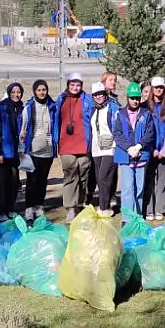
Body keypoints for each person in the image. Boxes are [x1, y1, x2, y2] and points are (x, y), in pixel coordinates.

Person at [113, 82, 155, 224]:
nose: (135, 101)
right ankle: (126, 218)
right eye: (132, 98)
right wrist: (129, 148)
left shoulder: (146, 114)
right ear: (127, 98)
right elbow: (117, 134)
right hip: (126, 156)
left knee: (139, 188)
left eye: (137, 98)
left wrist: (139, 146)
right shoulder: (120, 113)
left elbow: (150, 133)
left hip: (141, 155)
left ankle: (137, 216)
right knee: (127, 188)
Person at [55, 73, 94, 224]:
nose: (75, 88)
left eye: (78, 85)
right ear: (68, 85)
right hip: (66, 144)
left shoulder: (88, 100)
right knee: (70, 176)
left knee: (83, 175)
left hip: (84, 144)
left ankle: (79, 203)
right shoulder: (61, 99)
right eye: (72, 85)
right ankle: (70, 208)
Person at [18, 79, 57, 221]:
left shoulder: (52, 106)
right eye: (39, 90)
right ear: (34, 91)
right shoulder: (29, 108)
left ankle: (39, 206)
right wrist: (21, 149)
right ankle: (29, 208)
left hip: (48, 150)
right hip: (32, 150)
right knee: (32, 180)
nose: (42, 92)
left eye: (44, 89)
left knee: (42, 180)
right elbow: (23, 129)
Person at [146, 76, 165, 220]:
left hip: (164, 151)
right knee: (149, 180)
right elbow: (145, 130)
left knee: (163, 180)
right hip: (150, 150)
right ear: (152, 89)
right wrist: (152, 149)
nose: (158, 90)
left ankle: (160, 208)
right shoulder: (146, 106)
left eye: (161, 87)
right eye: (156, 87)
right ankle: (149, 209)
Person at [0, 82, 25, 219]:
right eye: (13, 92)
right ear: (8, 93)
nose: (16, 95)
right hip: (4, 151)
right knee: (1, 183)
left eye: (18, 92)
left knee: (13, 182)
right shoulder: (2, 109)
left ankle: (10, 208)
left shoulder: (22, 109)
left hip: (16, 153)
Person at [89, 82, 119, 217]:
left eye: (101, 94)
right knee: (99, 179)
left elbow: (118, 128)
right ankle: (104, 205)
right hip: (96, 149)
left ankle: (104, 207)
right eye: (96, 95)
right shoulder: (92, 110)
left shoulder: (113, 108)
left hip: (110, 149)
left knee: (103, 177)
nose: (99, 97)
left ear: (105, 94)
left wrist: (115, 145)